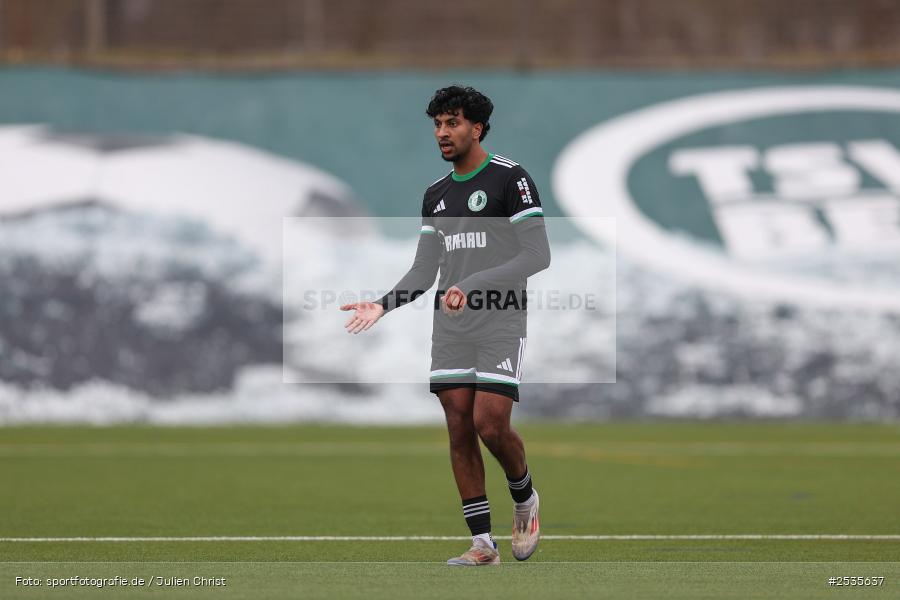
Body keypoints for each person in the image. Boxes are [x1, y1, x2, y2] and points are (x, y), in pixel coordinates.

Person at [340, 85, 550, 566]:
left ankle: (525, 500)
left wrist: (474, 282)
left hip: (501, 320)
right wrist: (382, 304)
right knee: (459, 428)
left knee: (490, 425)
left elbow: (538, 254)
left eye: (452, 123)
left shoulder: (509, 179)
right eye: (437, 124)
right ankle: (483, 545)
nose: (442, 132)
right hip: (451, 326)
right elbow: (423, 270)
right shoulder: (436, 195)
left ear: (476, 128)